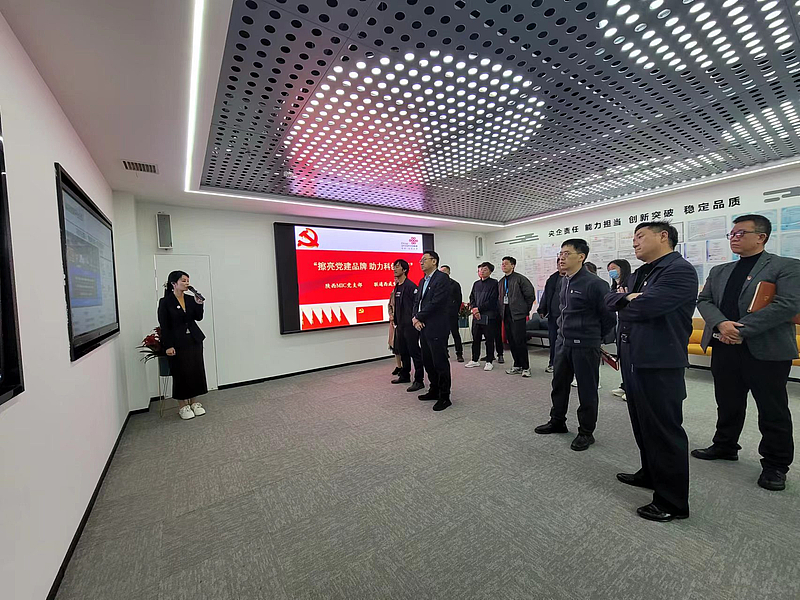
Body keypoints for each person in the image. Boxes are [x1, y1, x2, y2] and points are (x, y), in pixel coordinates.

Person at [693, 215, 800, 492]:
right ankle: (725, 445)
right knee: (728, 402)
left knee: (772, 409)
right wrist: (721, 324)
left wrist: (742, 329)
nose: (734, 238)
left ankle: (776, 464)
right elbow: (704, 300)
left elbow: (788, 304)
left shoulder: (786, 266)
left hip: (766, 350)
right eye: (732, 233)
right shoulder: (720, 270)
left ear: (761, 237)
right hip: (724, 346)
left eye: (741, 233)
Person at [605, 221, 697, 522]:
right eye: (634, 238)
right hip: (634, 357)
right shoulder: (641, 272)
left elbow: (644, 308)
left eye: (640, 236)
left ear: (663, 236)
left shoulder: (678, 270)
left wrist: (627, 301)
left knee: (664, 430)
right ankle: (650, 473)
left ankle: (672, 502)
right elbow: (609, 299)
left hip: (660, 361)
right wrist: (625, 298)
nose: (634, 242)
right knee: (642, 423)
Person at [535, 240, 615, 451]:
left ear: (581, 257)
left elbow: (609, 318)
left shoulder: (595, 284)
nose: (561, 257)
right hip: (563, 343)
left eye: (567, 253)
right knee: (559, 385)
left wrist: (593, 337)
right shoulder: (564, 281)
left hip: (585, 345)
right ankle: (557, 421)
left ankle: (586, 432)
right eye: (560, 253)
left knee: (587, 390)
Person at [158, 270, 208, 420]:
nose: (187, 283)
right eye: (183, 281)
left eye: (188, 281)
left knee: (195, 370)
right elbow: (164, 326)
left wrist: (199, 304)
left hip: (194, 339)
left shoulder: (190, 299)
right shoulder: (165, 302)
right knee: (181, 372)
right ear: (174, 283)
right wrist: (168, 346)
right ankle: (182, 405)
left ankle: (194, 402)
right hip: (177, 342)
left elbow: (198, 317)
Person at [413, 251, 453, 411]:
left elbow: (436, 303)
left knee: (440, 362)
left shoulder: (442, 278)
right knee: (428, 360)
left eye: (424, 260)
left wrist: (418, 317)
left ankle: (445, 396)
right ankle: (434, 389)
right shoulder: (422, 280)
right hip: (423, 326)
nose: (421, 262)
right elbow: (417, 302)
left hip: (437, 326)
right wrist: (415, 318)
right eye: (420, 260)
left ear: (434, 261)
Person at [390, 260, 426, 392]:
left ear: (404, 270)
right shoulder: (397, 286)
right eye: (394, 267)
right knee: (403, 351)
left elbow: (416, 305)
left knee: (414, 352)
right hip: (400, 325)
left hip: (410, 325)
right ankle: (405, 375)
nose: (394, 269)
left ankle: (419, 380)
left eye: (397, 267)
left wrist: (416, 319)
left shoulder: (411, 286)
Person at [497, 256, 536, 377]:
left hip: (518, 315)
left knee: (520, 341)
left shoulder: (520, 279)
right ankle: (517, 365)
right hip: (506, 314)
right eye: (502, 264)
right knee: (512, 341)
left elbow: (530, 296)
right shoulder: (501, 281)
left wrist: (524, 310)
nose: (503, 265)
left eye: (506, 263)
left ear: (513, 265)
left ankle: (526, 367)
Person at [465, 262, 500, 371]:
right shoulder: (476, 284)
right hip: (477, 315)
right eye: (480, 269)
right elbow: (472, 297)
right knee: (475, 338)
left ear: (490, 271)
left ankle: (489, 361)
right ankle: (474, 360)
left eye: (485, 269)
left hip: (488, 315)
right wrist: (474, 309)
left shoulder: (494, 283)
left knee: (489, 339)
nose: (482, 271)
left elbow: (493, 300)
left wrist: (478, 309)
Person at [607, 259, 632, 400]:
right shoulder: (615, 286)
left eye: (614, 268)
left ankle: (631, 388)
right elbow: (609, 303)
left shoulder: (631, 283)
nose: (611, 271)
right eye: (609, 269)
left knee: (630, 359)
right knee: (622, 357)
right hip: (620, 323)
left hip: (630, 325)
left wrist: (621, 299)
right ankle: (625, 385)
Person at [537, 258, 563, 373]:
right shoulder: (553, 278)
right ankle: (552, 363)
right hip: (553, 316)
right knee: (553, 341)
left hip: (567, 317)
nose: (561, 266)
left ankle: (565, 365)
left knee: (566, 342)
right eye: (559, 264)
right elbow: (546, 295)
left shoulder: (572, 278)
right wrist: (542, 309)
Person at [440, 265, 464, 362]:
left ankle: (459, 354)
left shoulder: (455, 284)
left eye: (444, 272)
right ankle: (444, 352)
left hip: (452, 314)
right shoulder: (438, 284)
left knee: (455, 334)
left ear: (449, 272)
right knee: (443, 335)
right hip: (441, 314)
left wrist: (455, 310)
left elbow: (459, 299)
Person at [388, 282, 402, 376]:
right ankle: (398, 366)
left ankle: (404, 367)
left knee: (402, 347)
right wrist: (391, 315)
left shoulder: (407, 289)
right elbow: (389, 305)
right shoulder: (394, 291)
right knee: (395, 346)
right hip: (394, 323)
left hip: (403, 323)